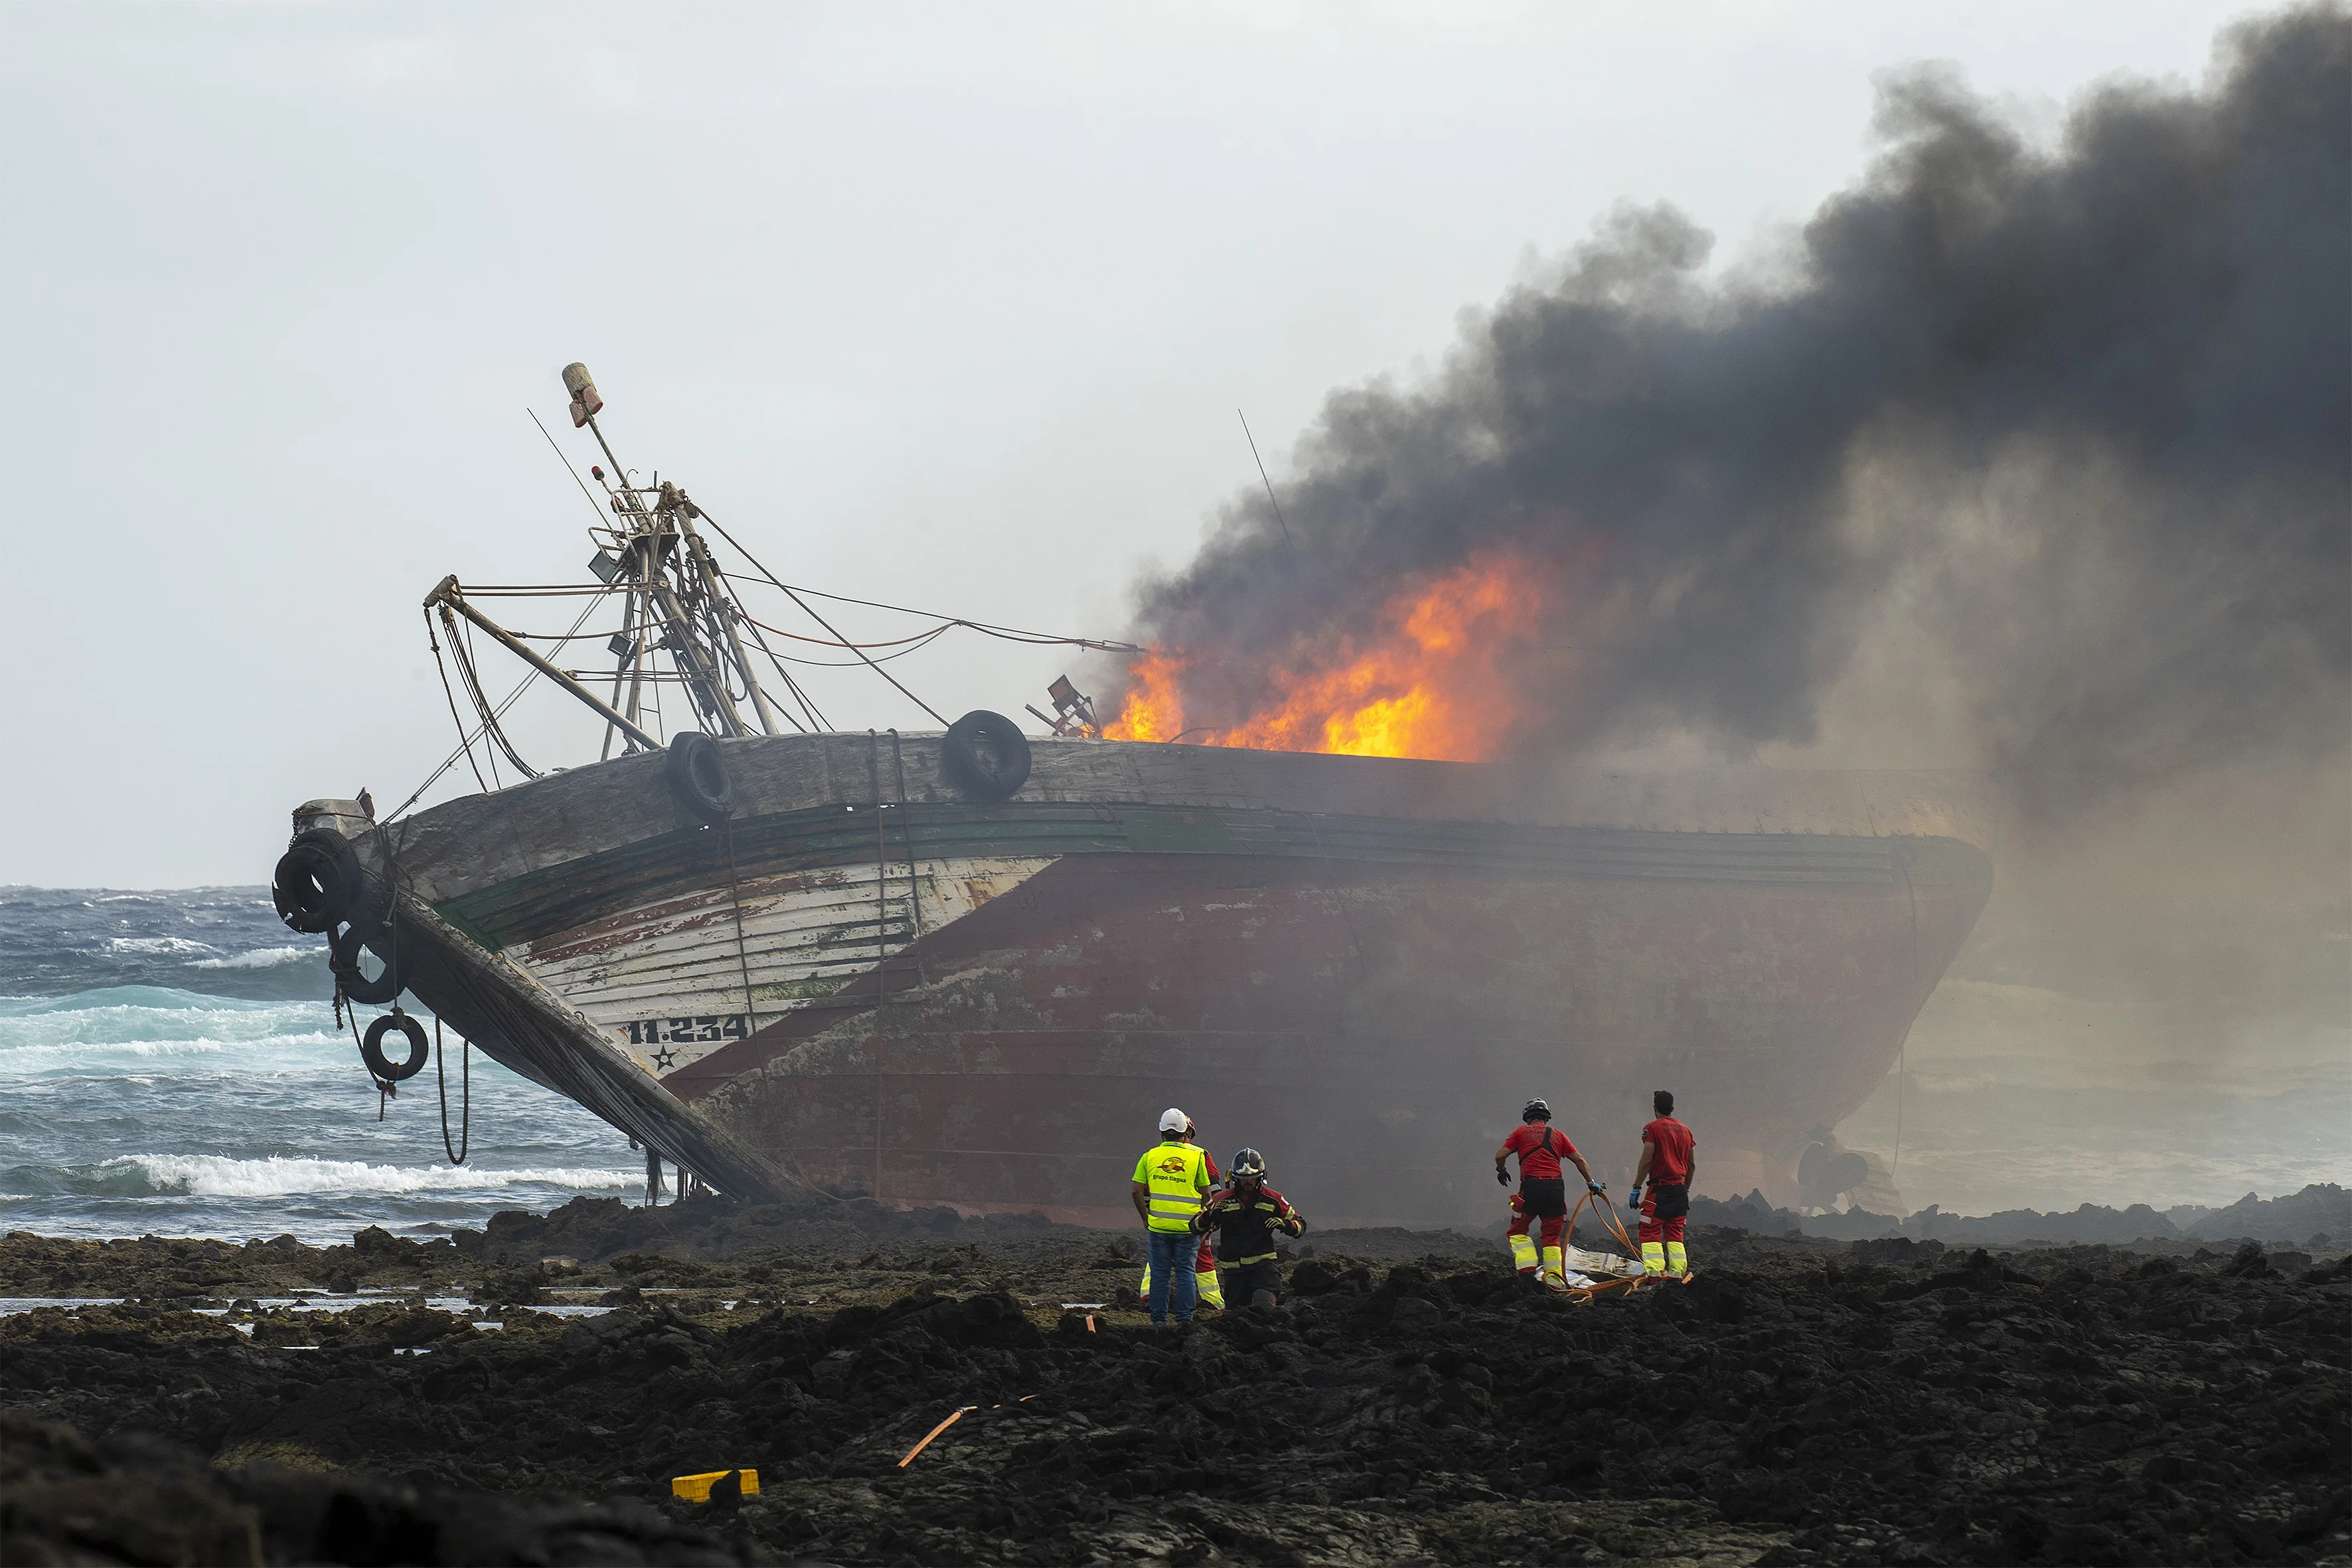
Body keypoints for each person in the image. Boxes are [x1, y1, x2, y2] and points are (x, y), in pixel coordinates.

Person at [1494, 1098, 1605, 1286]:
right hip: (1556, 1189)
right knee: (1552, 1237)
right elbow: (1578, 1159)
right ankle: (1554, 1281)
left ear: (1527, 1117)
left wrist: (1502, 1170)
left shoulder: (1521, 1132)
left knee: (1518, 1231)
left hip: (1531, 1188)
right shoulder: (1559, 1135)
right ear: (1547, 1117)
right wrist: (1591, 1182)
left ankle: (1527, 1274)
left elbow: (1500, 1155)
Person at [1190, 1148, 1304, 1309]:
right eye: (1244, 1179)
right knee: (1234, 1321)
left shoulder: (1273, 1199)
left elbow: (1300, 1226)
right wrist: (1211, 1216)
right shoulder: (1221, 1200)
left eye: (1253, 1178)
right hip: (1233, 1272)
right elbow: (1194, 1226)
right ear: (1235, 1178)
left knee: (1263, 1306)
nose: (1248, 1182)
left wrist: (1285, 1225)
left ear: (1261, 1177)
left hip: (1263, 1268)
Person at [1130, 1106, 1213, 1324]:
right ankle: (1185, 1321)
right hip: (1188, 1228)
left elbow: (1136, 1191)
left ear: (1161, 1131)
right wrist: (1203, 1219)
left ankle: (1159, 1322)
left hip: (1159, 1228)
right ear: (1186, 1131)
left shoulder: (1150, 1156)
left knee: (1160, 1275)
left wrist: (1145, 1218)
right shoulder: (1197, 1157)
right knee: (1186, 1273)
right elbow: (1207, 1193)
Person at [1627, 1089, 1697, 1279]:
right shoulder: (1686, 1131)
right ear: (1672, 1108)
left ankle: (1654, 1275)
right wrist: (1686, 1190)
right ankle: (1676, 1276)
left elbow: (1647, 1161)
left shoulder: (1653, 1129)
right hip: (1680, 1191)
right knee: (1675, 1234)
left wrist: (1636, 1187)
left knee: (1650, 1231)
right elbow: (1691, 1165)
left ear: (1655, 1108)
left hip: (1659, 1190)